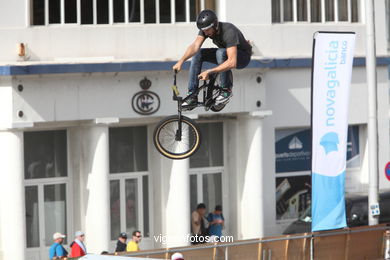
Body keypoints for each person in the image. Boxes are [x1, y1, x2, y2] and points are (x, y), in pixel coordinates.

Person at [172, 9, 252, 109]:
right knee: (198, 53)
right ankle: (192, 95)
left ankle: (226, 91)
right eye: (203, 30)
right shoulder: (206, 30)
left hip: (242, 57)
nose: (205, 32)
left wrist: (209, 72)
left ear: (215, 25)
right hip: (225, 54)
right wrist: (181, 61)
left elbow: (232, 62)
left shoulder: (229, 31)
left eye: (207, 30)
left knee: (221, 52)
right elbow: (195, 46)